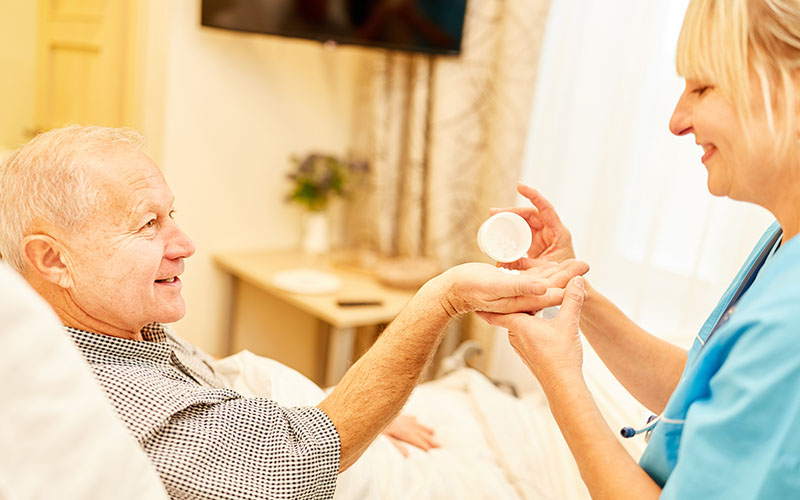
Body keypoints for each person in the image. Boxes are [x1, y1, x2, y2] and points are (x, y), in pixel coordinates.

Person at [0, 124, 588, 499]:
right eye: (148, 224)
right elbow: (305, 460)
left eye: (171, 214)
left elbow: (246, 411)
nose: (184, 244)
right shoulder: (109, 398)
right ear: (52, 260)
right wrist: (441, 299)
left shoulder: (115, 329)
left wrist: (362, 410)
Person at [482, 0, 800, 498]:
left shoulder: (790, 320)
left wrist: (561, 379)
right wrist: (573, 288)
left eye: (702, 86)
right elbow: (709, 391)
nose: (676, 121)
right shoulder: (785, 244)